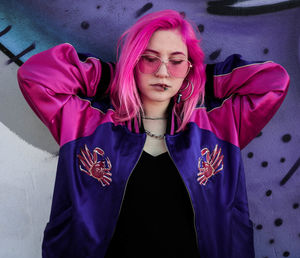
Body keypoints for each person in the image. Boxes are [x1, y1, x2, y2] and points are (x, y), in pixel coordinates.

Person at [17, 9, 289, 258]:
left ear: (189, 67)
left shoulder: (220, 124)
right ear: (133, 61)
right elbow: (38, 76)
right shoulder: (85, 121)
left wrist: (198, 79)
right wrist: (116, 75)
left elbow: (273, 81)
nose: (163, 72)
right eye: (149, 59)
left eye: (177, 61)